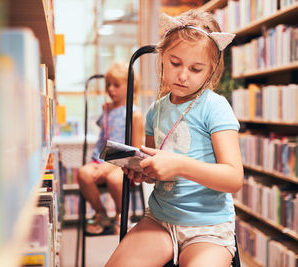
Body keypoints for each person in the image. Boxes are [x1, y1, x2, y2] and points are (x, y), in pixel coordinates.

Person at [106, 10, 243, 267]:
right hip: (160, 218)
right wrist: (143, 171)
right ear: (162, 58)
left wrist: (179, 165)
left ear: (210, 70)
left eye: (195, 68)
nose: (182, 75)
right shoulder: (155, 111)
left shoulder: (216, 107)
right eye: (175, 63)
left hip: (209, 227)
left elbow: (234, 178)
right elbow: (155, 165)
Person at [78, 61, 144, 235]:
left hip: (124, 164)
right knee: (84, 174)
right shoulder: (107, 110)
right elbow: (105, 131)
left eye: (116, 85)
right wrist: (106, 111)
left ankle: (122, 216)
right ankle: (101, 213)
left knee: (115, 180)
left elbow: (135, 150)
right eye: (108, 84)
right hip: (100, 159)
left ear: (130, 87)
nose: (110, 89)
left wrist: (110, 165)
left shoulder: (135, 113)